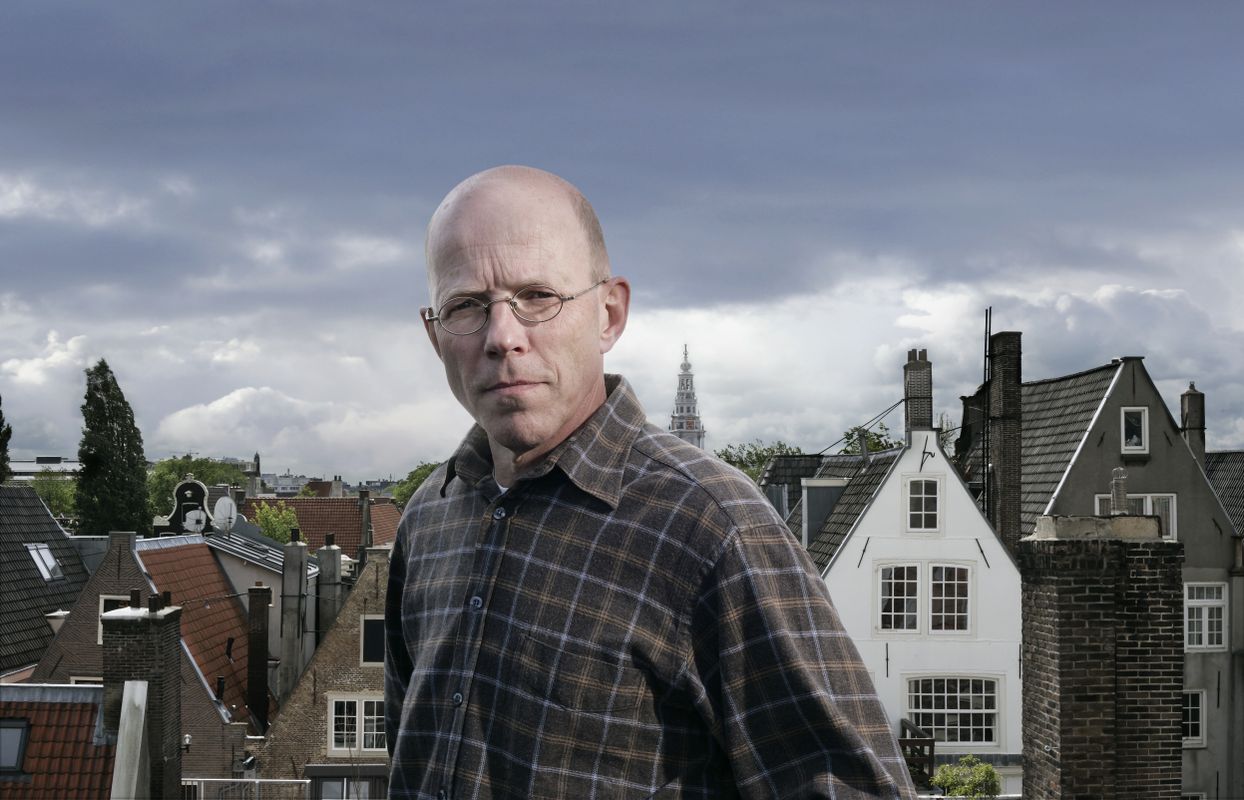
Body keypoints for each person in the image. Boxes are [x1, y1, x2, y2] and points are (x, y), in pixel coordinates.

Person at [385, 165, 915, 799]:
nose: (502, 337)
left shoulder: (715, 525)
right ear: (434, 334)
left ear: (608, 314)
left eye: (538, 296)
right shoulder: (428, 518)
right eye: (466, 306)